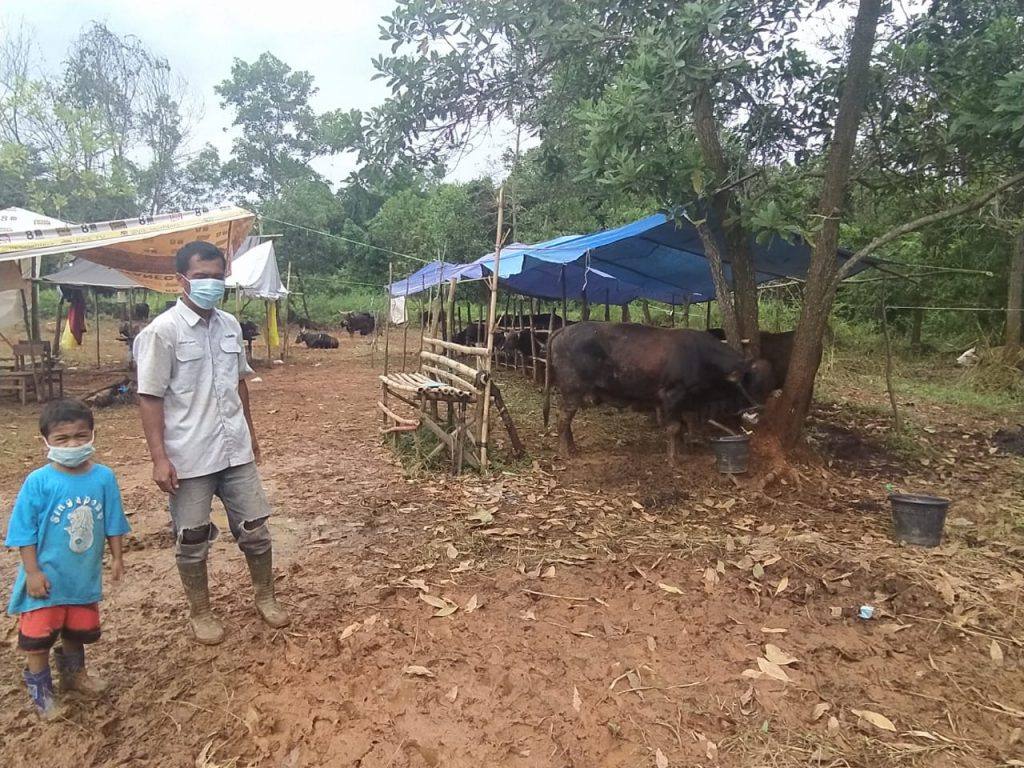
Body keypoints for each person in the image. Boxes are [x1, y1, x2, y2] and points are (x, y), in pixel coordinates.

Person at [133, 240, 289, 645]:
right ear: (181, 280)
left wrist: (251, 433)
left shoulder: (230, 325)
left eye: (217, 277)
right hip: (189, 456)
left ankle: (266, 596)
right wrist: (158, 458)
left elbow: (239, 382)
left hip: (234, 449)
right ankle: (200, 611)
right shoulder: (161, 333)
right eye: (202, 277)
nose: (211, 284)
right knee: (192, 538)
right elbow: (149, 396)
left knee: (256, 528)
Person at [4, 399, 129, 718]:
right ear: (46, 441)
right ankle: (41, 691)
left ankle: (74, 676)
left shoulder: (103, 477)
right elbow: (24, 532)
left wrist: (117, 557)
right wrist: (32, 572)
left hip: (83, 576)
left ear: (92, 435)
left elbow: (114, 520)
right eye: (63, 439)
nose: (73, 444)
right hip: (46, 579)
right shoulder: (38, 482)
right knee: (38, 638)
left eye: (81, 436)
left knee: (77, 630)